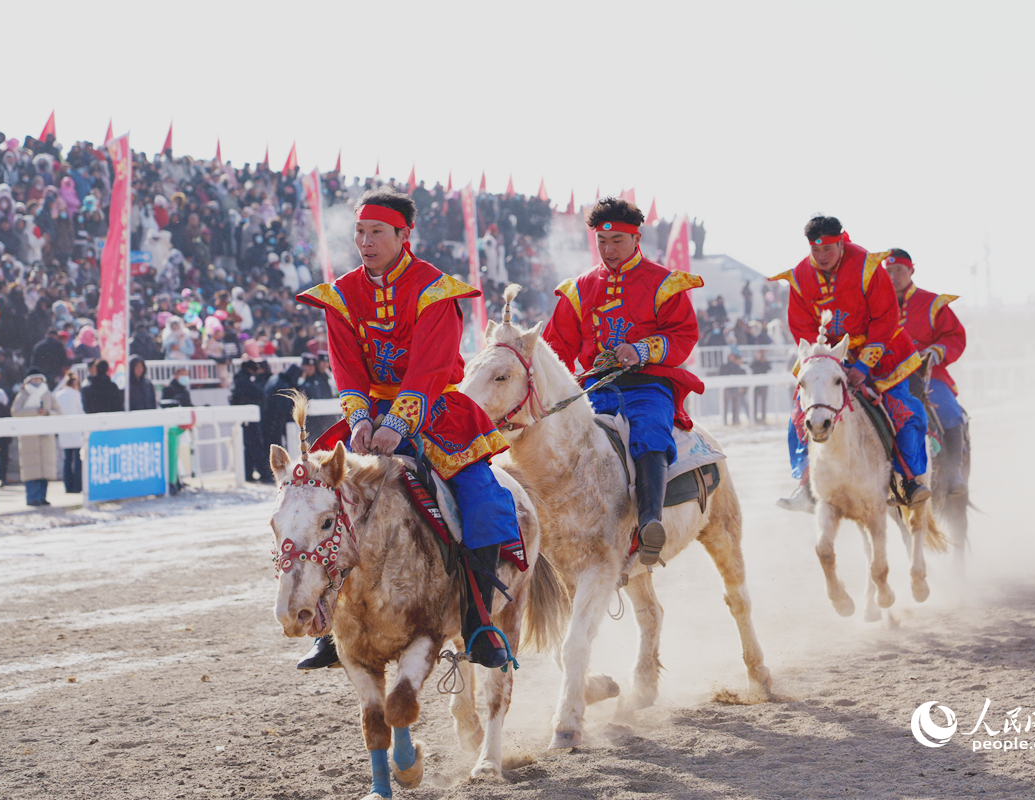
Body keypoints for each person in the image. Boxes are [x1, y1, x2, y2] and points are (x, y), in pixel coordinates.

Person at [296, 187, 517, 671]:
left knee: (482, 498)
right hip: (367, 413)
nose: (366, 241)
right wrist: (359, 422)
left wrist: (397, 423)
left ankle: (479, 622)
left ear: (403, 234)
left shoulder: (435, 288)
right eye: (360, 231)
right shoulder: (340, 295)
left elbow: (430, 367)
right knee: (315, 500)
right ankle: (330, 626)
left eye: (377, 231)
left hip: (435, 409)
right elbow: (346, 369)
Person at [542, 197, 704, 566]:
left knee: (649, 432)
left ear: (637, 238)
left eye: (617, 241)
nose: (609, 249)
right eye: (602, 241)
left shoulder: (664, 283)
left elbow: (683, 335)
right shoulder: (578, 289)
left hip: (649, 384)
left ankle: (650, 521)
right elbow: (556, 350)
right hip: (596, 389)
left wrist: (643, 350)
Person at [772, 216, 931, 512]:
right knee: (800, 414)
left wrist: (861, 368)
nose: (821, 257)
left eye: (828, 250)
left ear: (841, 242)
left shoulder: (867, 267)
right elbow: (802, 326)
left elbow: (885, 318)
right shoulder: (799, 276)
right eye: (815, 251)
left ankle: (908, 480)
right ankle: (807, 485)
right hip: (829, 358)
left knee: (906, 412)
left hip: (883, 354)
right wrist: (826, 361)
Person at [884, 249, 968, 495]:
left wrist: (935, 351)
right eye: (888, 271)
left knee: (950, 412)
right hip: (885, 377)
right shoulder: (876, 304)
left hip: (929, 375)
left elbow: (955, 336)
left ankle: (953, 472)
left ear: (911, 270)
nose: (893, 276)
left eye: (899, 269)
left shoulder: (931, 303)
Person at [11, 368, 62, 506]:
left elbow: (59, 412)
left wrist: (47, 412)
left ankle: (42, 497)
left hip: (45, 436)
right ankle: (32, 497)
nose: (37, 382)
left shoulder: (48, 394)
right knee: (31, 469)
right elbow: (15, 411)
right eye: (34, 379)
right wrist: (34, 412)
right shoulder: (23, 394)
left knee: (45, 469)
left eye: (39, 379)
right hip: (29, 437)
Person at [229, 359, 271, 483]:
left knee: (248, 448)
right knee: (255, 446)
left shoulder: (239, 380)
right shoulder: (243, 381)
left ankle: (248, 474)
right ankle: (264, 474)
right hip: (249, 421)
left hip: (244, 420)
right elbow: (260, 393)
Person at [53, 371, 85, 493]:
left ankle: (68, 486)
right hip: (76, 429)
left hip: (64, 429)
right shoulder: (77, 394)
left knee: (67, 459)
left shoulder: (58, 395)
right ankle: (77, 486)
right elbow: (81, 411)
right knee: (77, 459)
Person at [719, 351, 748, 425]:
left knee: (736, 406)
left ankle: (735, 420)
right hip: (726, 388)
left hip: (735, 388)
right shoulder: (724, 366)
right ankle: (724, 421)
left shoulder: (737, 367)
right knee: (725, 406)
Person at [749, 349, 772, 423]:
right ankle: (754, 417)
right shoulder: (754, 361)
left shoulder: (765, 362)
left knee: (763, 403)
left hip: (764, 385)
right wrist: (757, 359)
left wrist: (764, 361)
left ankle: (763, 417)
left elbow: (769, 367)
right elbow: (751, 366)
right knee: (754, 402)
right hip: (755, 386)